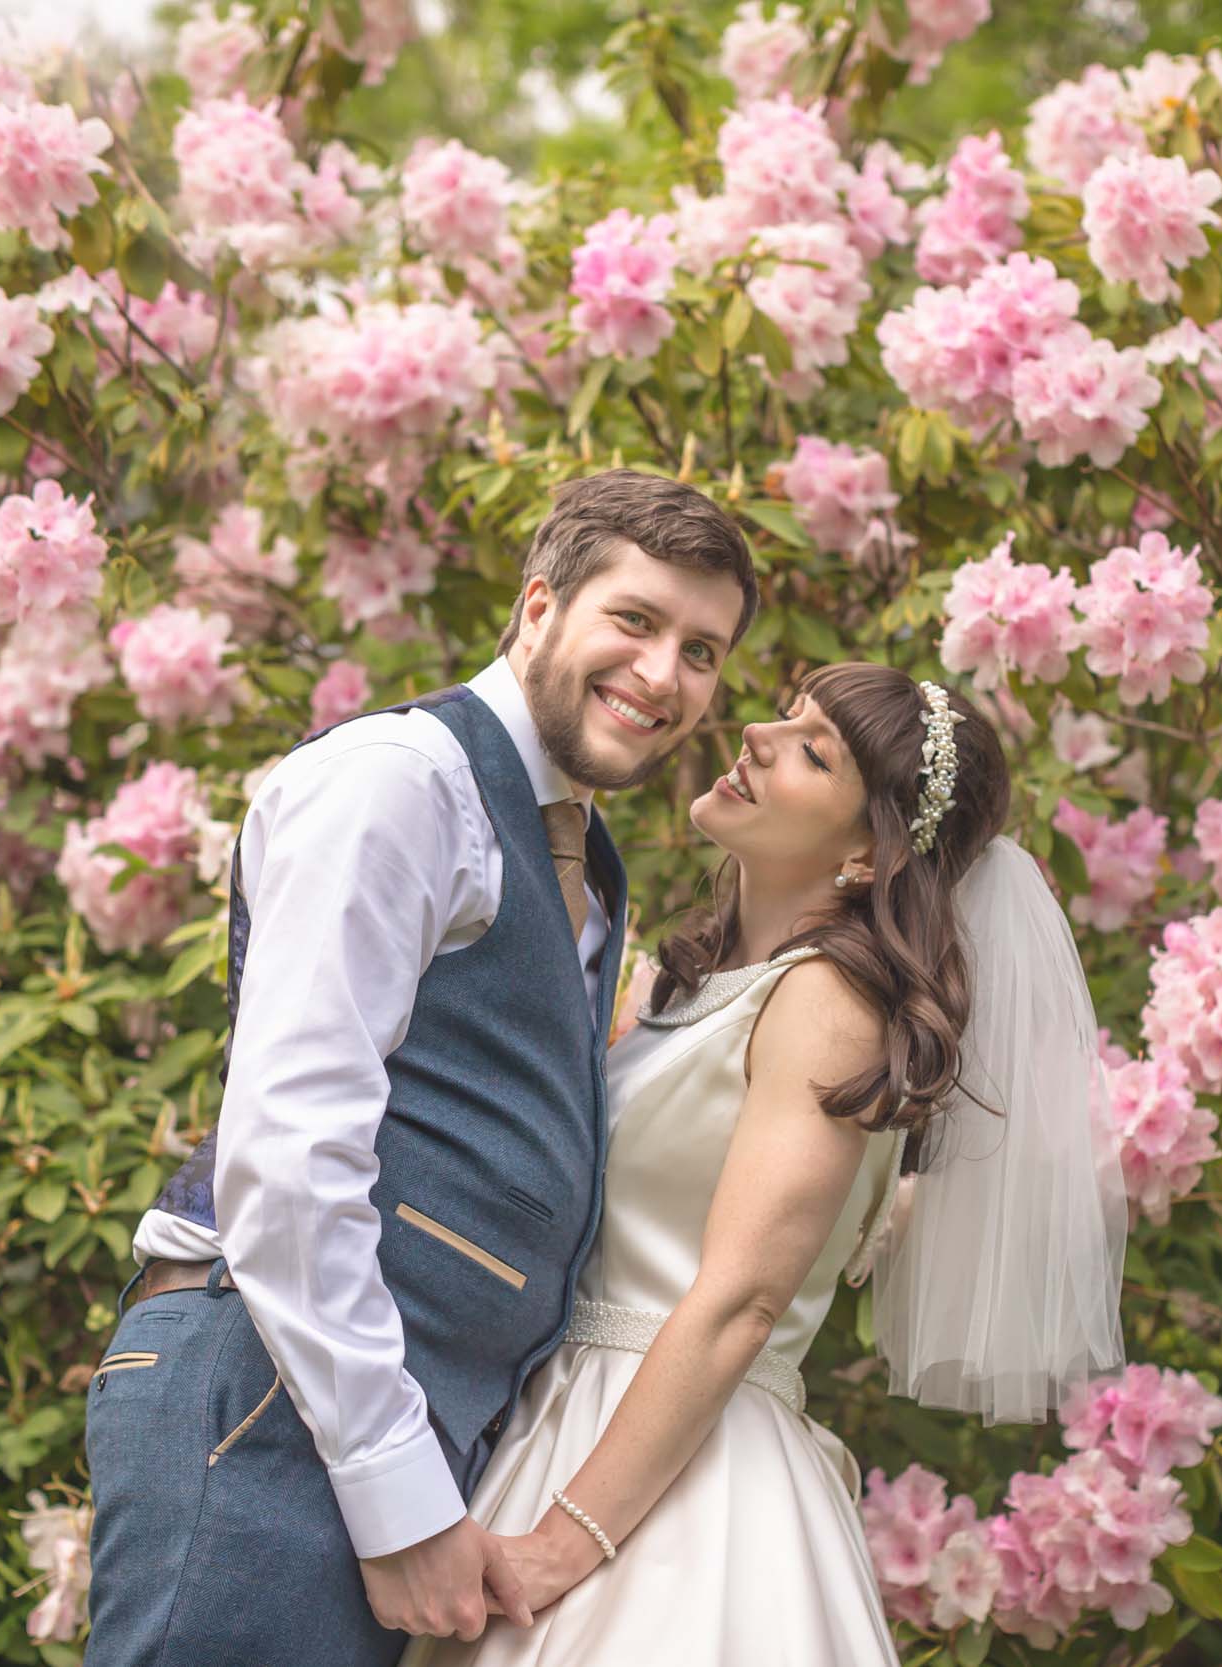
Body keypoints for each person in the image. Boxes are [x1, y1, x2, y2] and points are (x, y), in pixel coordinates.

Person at [81, 470, 760, 1667]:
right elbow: (290, 1155)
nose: (664, 677)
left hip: (379, 1423)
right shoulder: (400, 782)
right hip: (267, 1396)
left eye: (701, 651)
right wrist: (398, 1501)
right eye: (636, 621)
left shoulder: (586, 856)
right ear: (539, 606)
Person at [402, 663, 1132, 1665]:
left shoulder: (830, 1004)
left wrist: (559, 1545)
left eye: (812, 748)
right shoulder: (697, 989)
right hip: (568, 1423)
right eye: (786, 714)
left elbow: (741, 1299)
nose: (755, 732)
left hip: (673, 1487)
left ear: (870, 858)